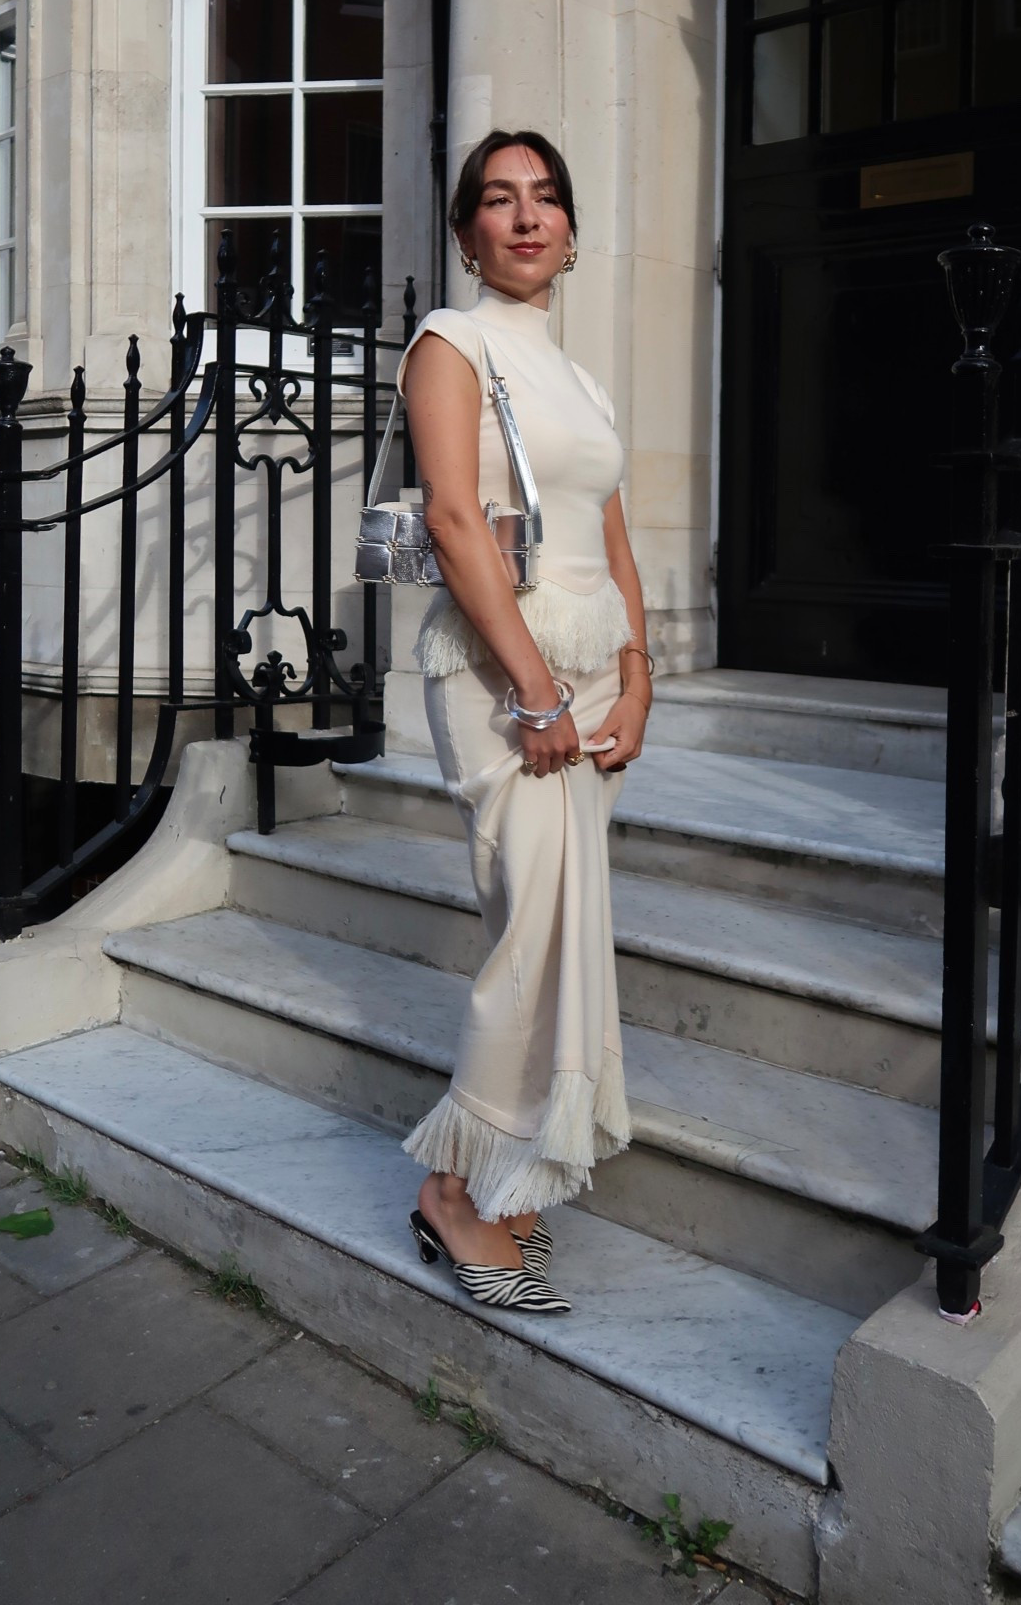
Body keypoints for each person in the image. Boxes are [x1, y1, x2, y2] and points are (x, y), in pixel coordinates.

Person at [395, 129, 653, 1314]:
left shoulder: (581, 378)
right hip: (508, 682)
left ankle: (511, 1172)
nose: (526, 216)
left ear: (569, 229)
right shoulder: (451, 344)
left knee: (559, 927)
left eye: (546, 196)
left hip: (591, 679)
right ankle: (455, 1187)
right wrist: (537, 691)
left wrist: (638, 670)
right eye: (499, 200)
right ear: (466, 233)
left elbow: (606, 529)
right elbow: (454, 520)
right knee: (528, 924)